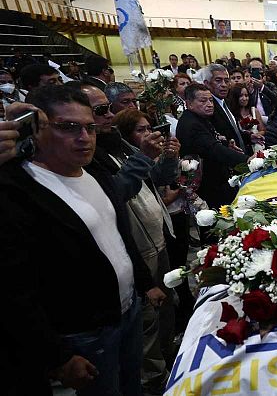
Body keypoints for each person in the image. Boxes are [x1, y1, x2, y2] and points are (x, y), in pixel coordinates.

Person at [0, 85, 165, 395]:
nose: (84, 137)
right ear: (36, 128)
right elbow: (14, 288)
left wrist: (145, 282)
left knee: (133, 387)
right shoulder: (18, 189)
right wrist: (57, 356)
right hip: (83, 332)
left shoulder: (94, 173)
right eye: (68, 127)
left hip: (127, 313)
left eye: (89, 127)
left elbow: (117, 235)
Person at [112, 108, 178, 394]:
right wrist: (144, 156)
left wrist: (170, 156)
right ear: (125, 135)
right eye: (140, 130)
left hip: (158, 238)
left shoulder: (136, 157)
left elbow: (159, 179)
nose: (148, 134)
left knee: (167, 303)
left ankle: (168, 355)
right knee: (148, 318)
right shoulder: (114, 160)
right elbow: (121, 192)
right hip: (140, 249)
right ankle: (155, 378)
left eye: (150, 128)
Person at [176, 83, 248, 209]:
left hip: (217, 181)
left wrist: (226, 144)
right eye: (203, 101)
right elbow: (213, 149)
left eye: (210, 100)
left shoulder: (200, 118)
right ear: (189, 104)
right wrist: (247, 160)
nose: (209, 104)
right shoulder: (191, 124)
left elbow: (211, 142)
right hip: (208, 187)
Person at [200, 64, 246, 153]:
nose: (224, 85)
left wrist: (249, 137)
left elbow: (233, 131)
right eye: (218, 80)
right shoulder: (207, 107)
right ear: (207, 83)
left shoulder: (227, 102)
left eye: (226, 80)